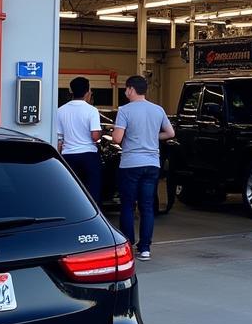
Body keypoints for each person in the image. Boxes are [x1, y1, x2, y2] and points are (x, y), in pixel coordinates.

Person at [112, 75, 175, 261]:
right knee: (147, 206)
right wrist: (152, 137)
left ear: (131, 89)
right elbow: (170, 133)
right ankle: (145, 248)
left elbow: (116, 138)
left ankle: (128, 246)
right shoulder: (158, 110)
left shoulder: (124, 110)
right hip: (152, 164)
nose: (125, 92)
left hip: (131, 164)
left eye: (125, 89)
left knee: (128, 206)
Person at [56, 76, 102, 203]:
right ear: (88, 92)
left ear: (71, 91)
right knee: (92, 192)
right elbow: (95, 136)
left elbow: (59, 139)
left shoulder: (60, 111)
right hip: (89, 156)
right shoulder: (92, 110)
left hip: (68, 156)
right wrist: (100, 133)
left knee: (71, 191)